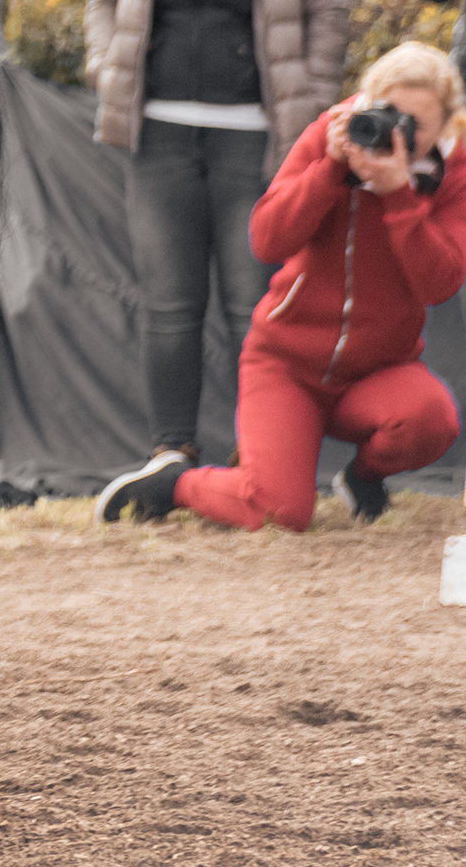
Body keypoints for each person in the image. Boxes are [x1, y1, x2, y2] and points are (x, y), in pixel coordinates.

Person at [85, 0, 344, 477]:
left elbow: (329, 14)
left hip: (257, 141)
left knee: (252, 305)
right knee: (169, 304)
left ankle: (260, 455)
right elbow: (102, 0)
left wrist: (310, 110)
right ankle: (173, 450)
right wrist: (110, 69)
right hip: (157, 136)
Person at [98, 43, 466, 530]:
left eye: (417, 125)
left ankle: (362, 478)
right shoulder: (332, 134)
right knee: (280, 511)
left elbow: (440, 282)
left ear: (446, 126)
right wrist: (332, 170)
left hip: (377, 370)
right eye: (390, 114)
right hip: (287, 364)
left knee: (431, 419)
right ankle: (172, 484)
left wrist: (398, 195)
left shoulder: (453, 171)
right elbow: (267, 239)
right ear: (366, 104)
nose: (399, 133)